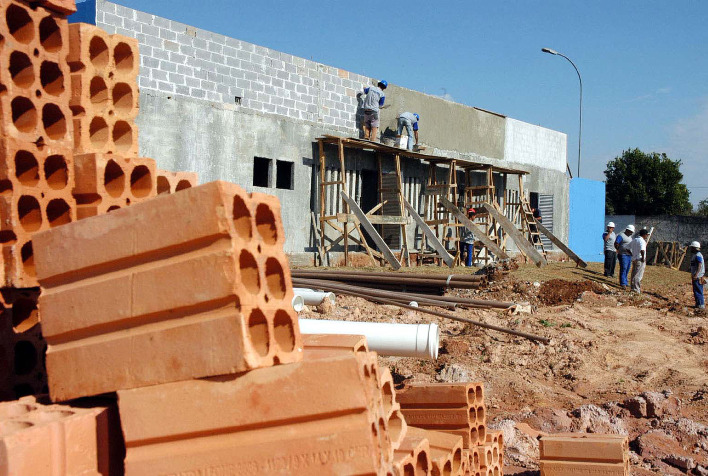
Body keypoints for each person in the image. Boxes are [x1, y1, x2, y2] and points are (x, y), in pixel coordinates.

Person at [615, 224, 635, 289]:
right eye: (630, 231)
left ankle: (625, 281)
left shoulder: (630, 237)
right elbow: (616, 243)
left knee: (627, 268)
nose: (631, 233)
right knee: (623, 268)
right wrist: (618, 249)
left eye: (632, 232)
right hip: (623, 254)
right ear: (627, 230)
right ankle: (623, 283)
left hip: (629, 255)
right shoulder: (621, 235)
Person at [629, 228, 648, 293]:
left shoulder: (635, 240)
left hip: (634, 259)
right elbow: (642, 250)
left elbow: (627, 248)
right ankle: (636, 289)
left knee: (633, 274)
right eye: (646, 235)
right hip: (640, 259)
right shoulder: (642, 241)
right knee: (638, 275)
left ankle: (632, 288)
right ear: (644, 235)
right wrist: (643, 258)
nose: (647, 236)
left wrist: (632, 255)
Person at [690, 241, 705, 309]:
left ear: (695, 248)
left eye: (692, 248)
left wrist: (696, 274)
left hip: (698, 277)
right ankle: (698, 304)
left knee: (698, 291)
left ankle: (701, 305)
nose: (691, 249)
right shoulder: (695, 255)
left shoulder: (698, 255)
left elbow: (699, 265)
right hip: (696, 276)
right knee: (696, 290)